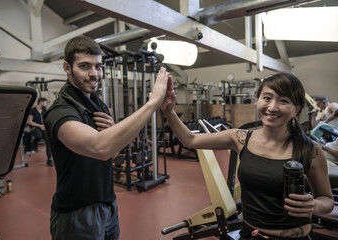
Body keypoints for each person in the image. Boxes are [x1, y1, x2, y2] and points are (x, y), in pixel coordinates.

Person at [160, 72, 334, 239]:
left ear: (296, 109)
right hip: (249, 234)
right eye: (267, 98)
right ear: (258, 100)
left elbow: (327, 200)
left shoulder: (311, 150)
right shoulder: (241, 138)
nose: (272, 107)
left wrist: (314, 205)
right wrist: (169, 112)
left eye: (283, 101)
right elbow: (190, 140)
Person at [43, 35, 169, 240]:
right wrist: (152, 104)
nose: (94, 74)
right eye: (84, 66)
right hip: (76, 213)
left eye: (98, 67)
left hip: (108, 204)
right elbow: (100, 148)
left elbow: (113, 153)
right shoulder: (60, 112)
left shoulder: (98, 105)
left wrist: (112, 132)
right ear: (67, 68)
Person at [27, 97, 53, 166]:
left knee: (48, 140)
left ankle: (49, 159)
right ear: (41, 102)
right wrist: (40, 126)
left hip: (43, 128)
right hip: (35, 127)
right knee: (39, 136)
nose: (46, 104)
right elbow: (29, 122)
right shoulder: (33, 110)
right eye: (45, 102)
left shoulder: (45, 111)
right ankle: (34, 143)